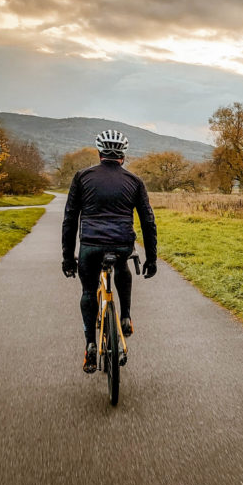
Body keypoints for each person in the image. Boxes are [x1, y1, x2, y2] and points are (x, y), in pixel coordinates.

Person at [62, 130, 158, 373]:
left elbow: (70, 219)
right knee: (123, 266)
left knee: (88, 290)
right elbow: (148, 221)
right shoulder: (135, 181)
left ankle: (91, 345)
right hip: (122, 243)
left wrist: (67, 256)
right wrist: (152, 258)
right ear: (123, 156)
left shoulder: (82, 177)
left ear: (99, 152)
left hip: (91, 246)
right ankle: (125, 316)